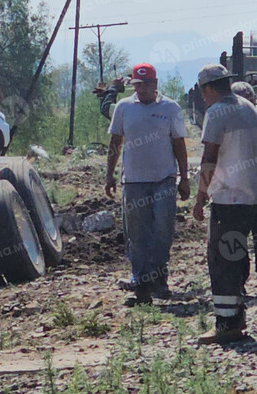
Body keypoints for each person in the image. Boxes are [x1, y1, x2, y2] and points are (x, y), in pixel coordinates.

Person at [105, 62, 190, 306]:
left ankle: (159, 278)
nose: (141, 89)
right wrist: (109, 174)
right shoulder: (124, 108)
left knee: (163, 229)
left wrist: (184, 179)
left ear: (155, 85)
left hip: (164, 180)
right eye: (137, 85)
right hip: (133, 182)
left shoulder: (170, 108)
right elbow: (115, 143)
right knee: (137, 233)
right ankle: (141, 282)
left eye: (146, 85)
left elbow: (179, 145)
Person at [193, 64, 257, 344]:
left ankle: (228, 323)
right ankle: (237, 316)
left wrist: (200, 196)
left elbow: (209, 157)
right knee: (240, 258)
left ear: (207, 89)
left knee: (224, 259)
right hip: (252, 198)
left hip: (229, 200)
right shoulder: (247, 107)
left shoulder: (216, 112)